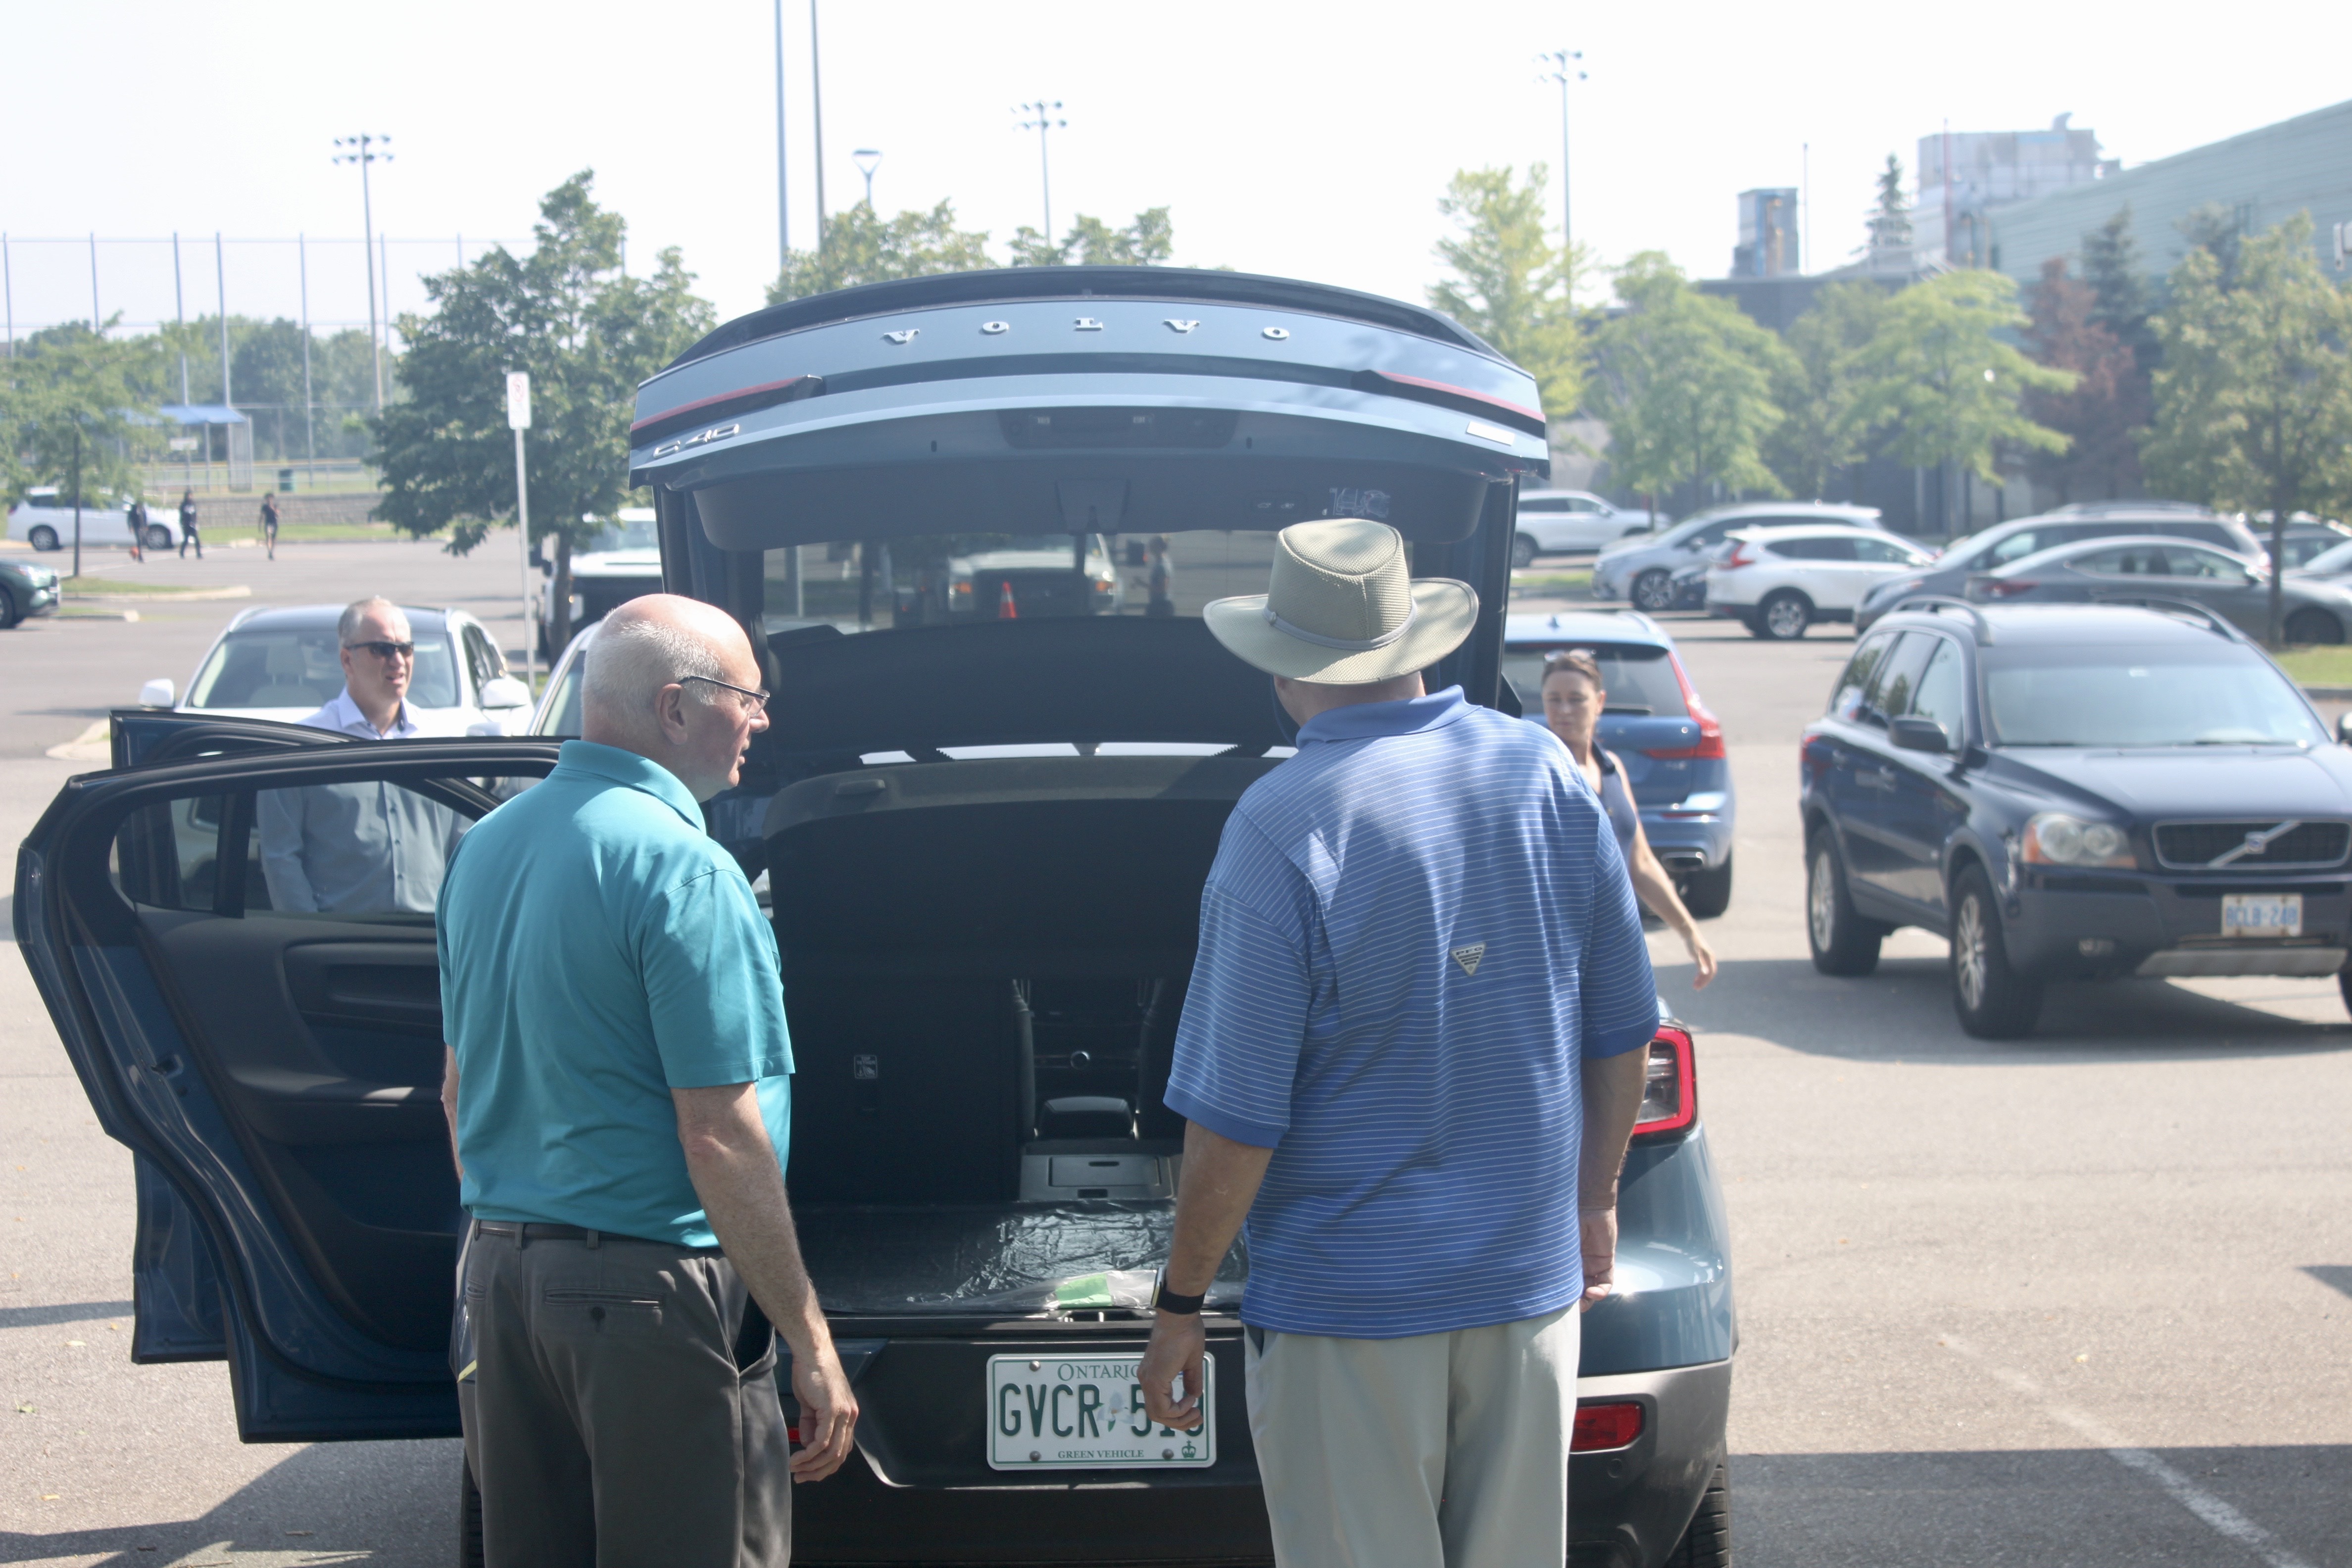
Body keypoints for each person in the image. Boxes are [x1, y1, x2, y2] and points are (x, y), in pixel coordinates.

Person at [1137, 519, 1659, 1568]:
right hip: (1528, 1293)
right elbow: (1622, 1034)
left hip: (1348, 1313)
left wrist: (1180, 1303)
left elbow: (1237, 1123)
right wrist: (1596, 1201)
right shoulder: (1548, 776)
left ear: (1285, 677)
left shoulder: (1281, 827)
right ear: (1417, 642)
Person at [437, 595, 856, 1568]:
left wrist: (518, 1233)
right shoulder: (688, 874)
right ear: (677, 709)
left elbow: (458, 1090)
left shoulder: (483, 849)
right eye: (747, 698)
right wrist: (809, 1337)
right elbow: (719, 1137)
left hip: (500, 1281)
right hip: (644, 1298)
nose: (761, 720)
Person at [256, 597, 464, 913]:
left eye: (406, 648)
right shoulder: (302, 748)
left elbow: (465, 849)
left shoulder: (443, 743)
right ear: (346, 660)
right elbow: (280, 857)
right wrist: (310, 935)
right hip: (342, 942)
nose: (398, 661)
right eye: (382, 649)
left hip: (428, 942)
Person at [1539, 648, 1719, 988]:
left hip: (1616, 946)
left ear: (1600, 702)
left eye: (1576, 699)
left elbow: (1641, 863)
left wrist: (1689, 931)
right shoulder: (1538, 772)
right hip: (1559, 955)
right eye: (1553, 699)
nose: (1564, 710)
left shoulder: (1612, 769)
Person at [178, 489, 201, 559]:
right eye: (188, 495)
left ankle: (199, 553)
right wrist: (182, 524)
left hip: (193, 524)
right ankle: (182, 552)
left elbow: (195, 514)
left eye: (191, 495)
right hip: (186, 524)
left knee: (197, 539)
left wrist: (195, 522)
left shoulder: (193, 503)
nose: (190, 496)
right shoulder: (183, 504)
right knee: (186, 540)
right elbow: (181, 515)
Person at [259, 491, 280, 560]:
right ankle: (269, 552)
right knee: (268, 537)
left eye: (271, 499)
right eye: (268, 499)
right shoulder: (264, 507)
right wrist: (260, 524)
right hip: (268, 523)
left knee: (274, 539)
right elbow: (262, 516)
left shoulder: (275, 506)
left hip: (274, 523)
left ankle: (271, 552)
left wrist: (273, 509)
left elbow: (277, 515)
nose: (269, 500)